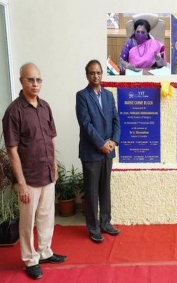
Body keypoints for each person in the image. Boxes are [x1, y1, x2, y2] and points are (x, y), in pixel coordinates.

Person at [2, 63, 66, 280]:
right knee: (28, 222)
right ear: (21, 81)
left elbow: (51, 139)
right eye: (30, 80)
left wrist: (55, 167)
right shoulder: (13, 112)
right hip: (28, 178)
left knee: (47, 217)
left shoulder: (45, 107)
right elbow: (12, 150)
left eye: (38, 80)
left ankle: (45, 251)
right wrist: (20, 183)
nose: (35, 84)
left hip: (47, 173)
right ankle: (31, 260)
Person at [76, 59, 121, 244]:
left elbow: (116, 120)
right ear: (87, 75)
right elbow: (85, 124)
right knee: (92, 192)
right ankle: (93, 228)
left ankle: (105, 222)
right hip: (92, 152)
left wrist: (113, 141)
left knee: (105, 189)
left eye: (98, 72)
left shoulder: (109, 96)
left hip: (107, 151)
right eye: (92, 73)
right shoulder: (82, 96)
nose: (96, 76)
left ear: (102, 74)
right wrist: (101, 143)